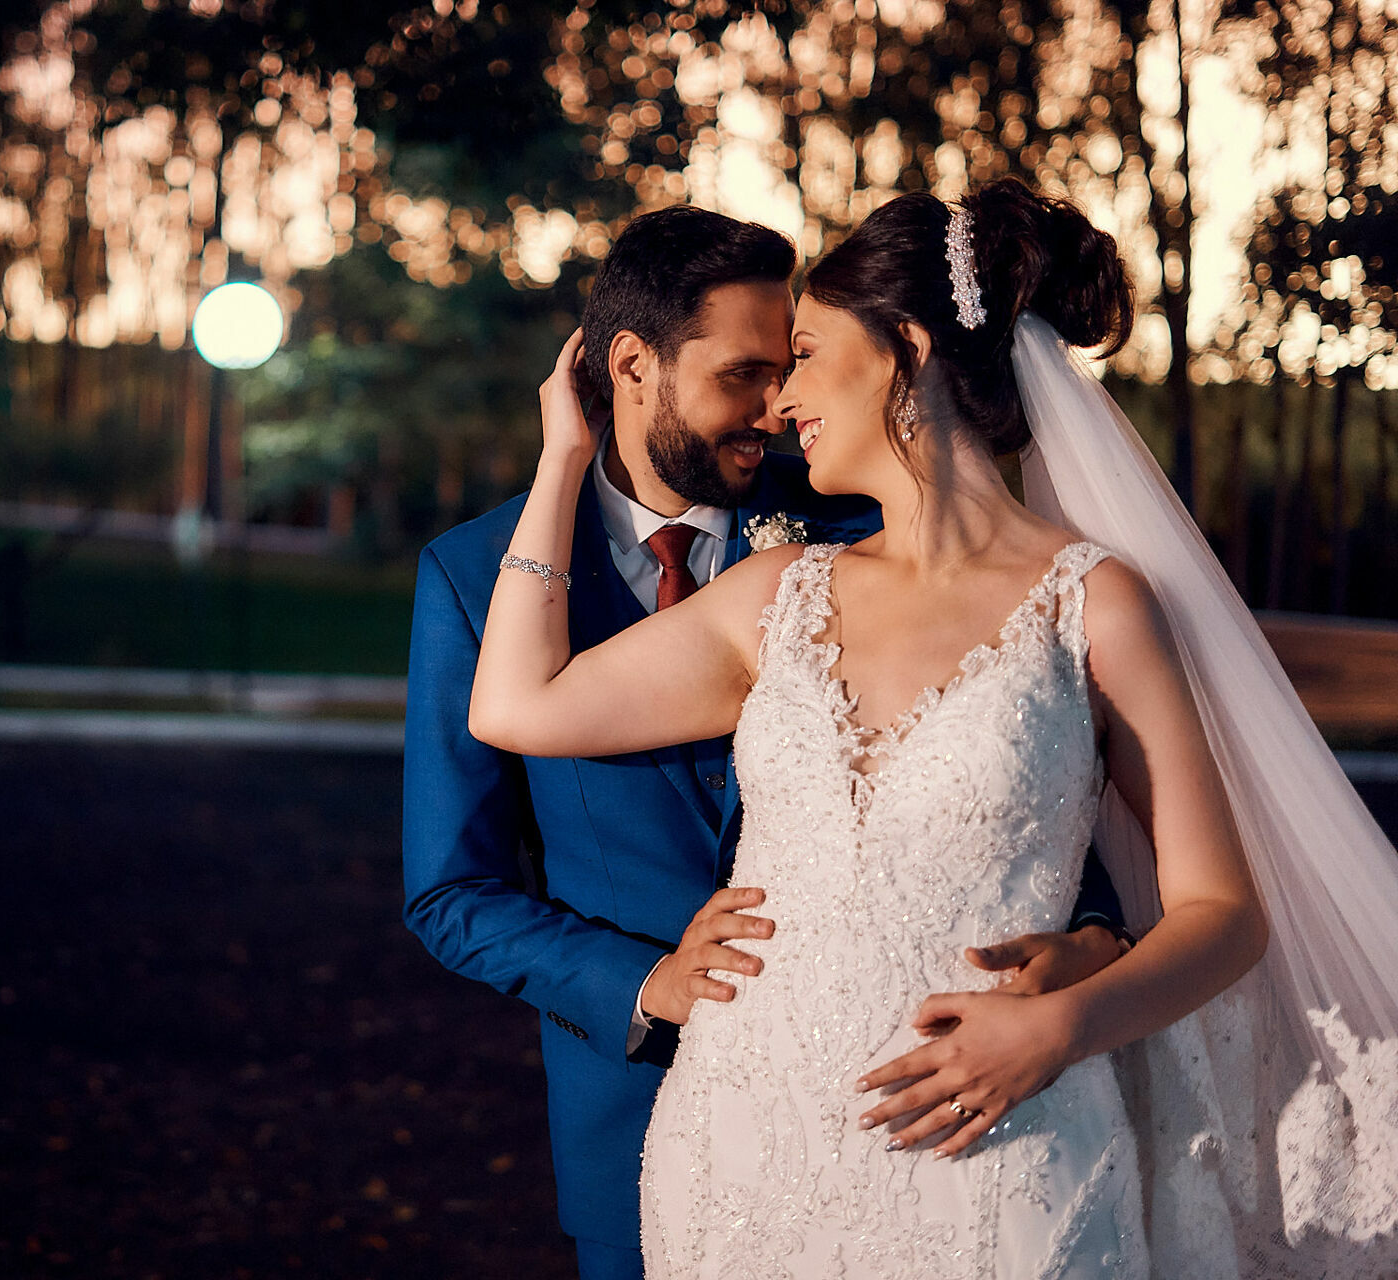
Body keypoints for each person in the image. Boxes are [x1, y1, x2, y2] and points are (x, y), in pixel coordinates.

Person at [470, 179, 1398, 1277]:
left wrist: (1065, 1026)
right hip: (740, 1151)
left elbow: (1223, 913)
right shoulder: (778, 594)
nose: (778, 404)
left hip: (1003, 1152)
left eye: (806, 354)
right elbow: (514, 705)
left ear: (905, 347)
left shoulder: (1092, 603)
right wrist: (562, 458)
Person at [402, 204, 1131, 1280]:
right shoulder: (476, 581)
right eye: (745, 372)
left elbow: (1013, 768)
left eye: (790, 362)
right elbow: (450, 890)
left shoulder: (853, 522)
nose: (775, 407)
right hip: (650, 1120)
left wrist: (1098, 931)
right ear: (634, 365)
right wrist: (646, 983)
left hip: (934, 1100)